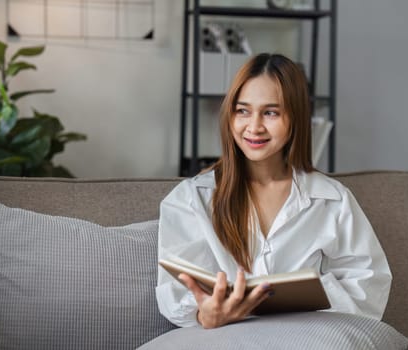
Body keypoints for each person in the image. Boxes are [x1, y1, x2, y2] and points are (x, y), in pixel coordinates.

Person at [156, 53, 392, 329]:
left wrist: (315, 298)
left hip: (309, 338)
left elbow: (368, 284)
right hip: (223, 338)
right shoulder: (190, 199)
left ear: (295, 118)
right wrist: (204, 314)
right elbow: (177, 291)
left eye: (271, 112)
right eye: (242, 111)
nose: (254, 127)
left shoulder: (332, 200)